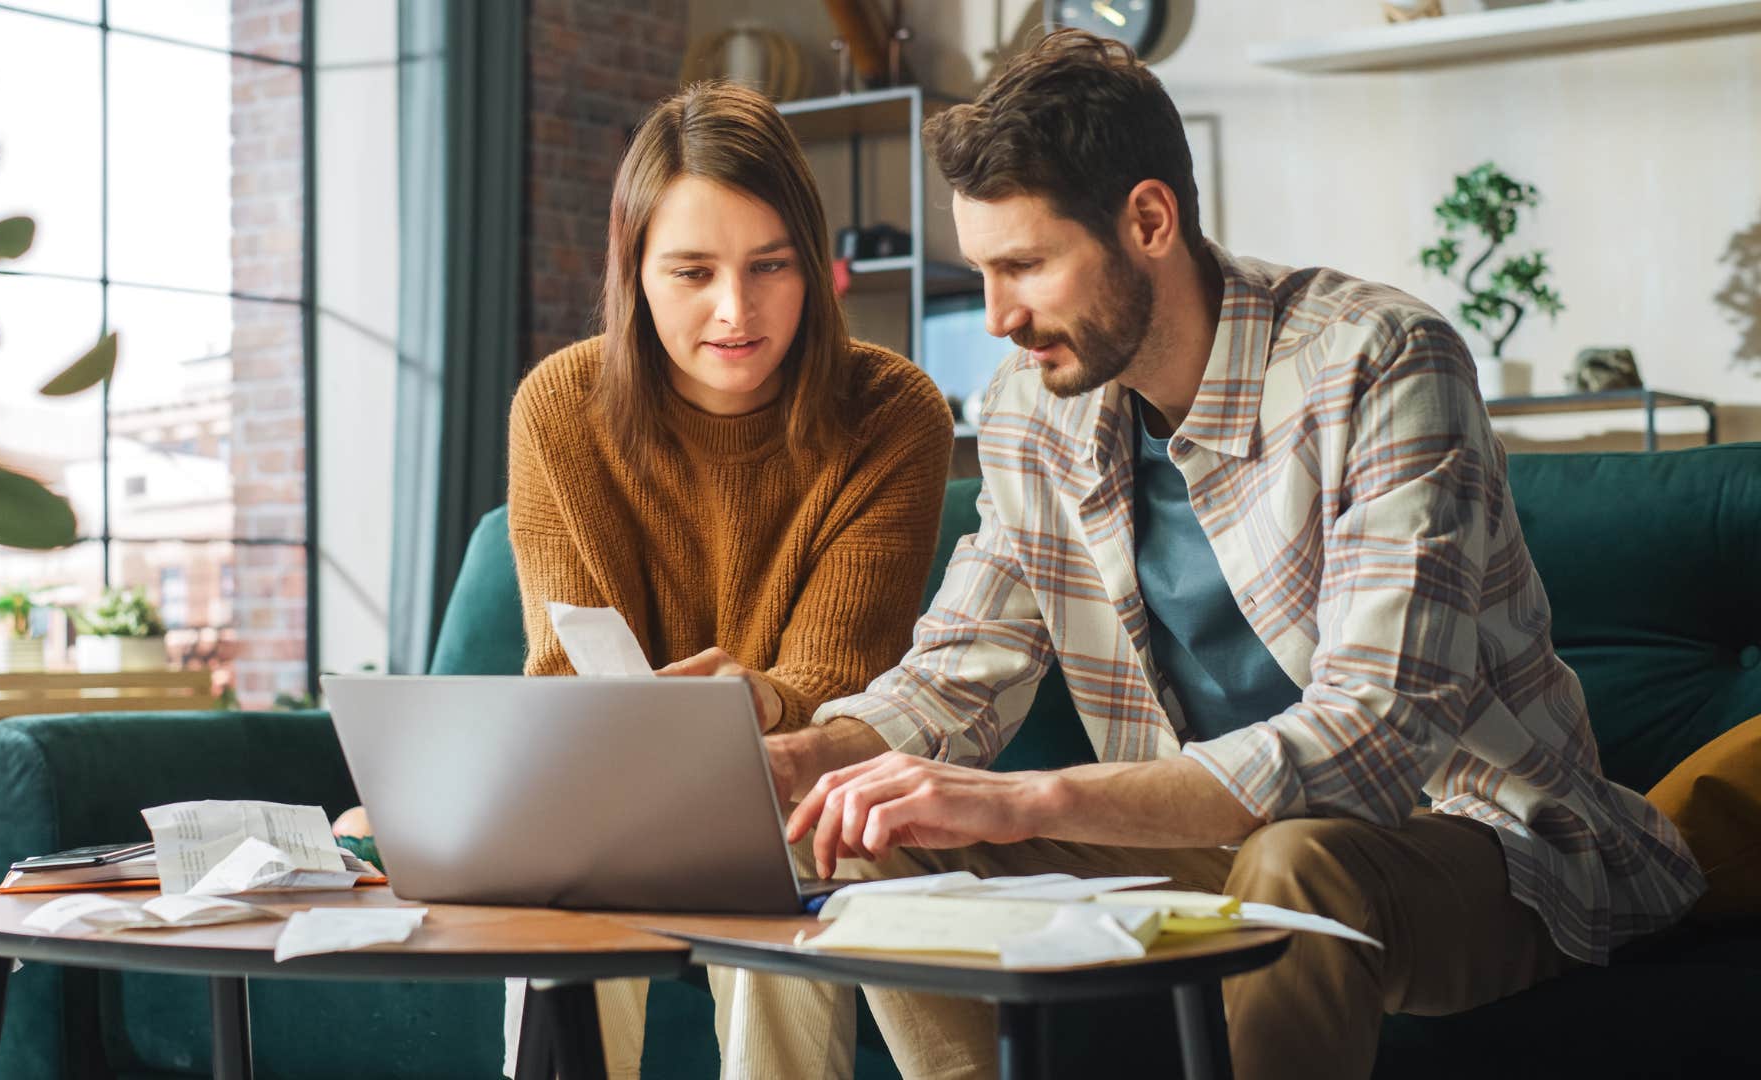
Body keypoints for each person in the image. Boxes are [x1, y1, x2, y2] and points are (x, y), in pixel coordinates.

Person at [760, 30, 1704, 1080]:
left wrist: (1036, 797)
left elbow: (1373, 736)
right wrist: (815, 754)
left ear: (1149, 220)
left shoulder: (1381, 361)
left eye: (1026, 265)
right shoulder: (1032, 410)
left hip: (1469, 840)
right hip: (1198, 846)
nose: (997, 318)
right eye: (983, 270)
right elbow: (960, 666)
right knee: (861, 824)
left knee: (1295, 860)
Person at [338, 80, 953, 1080]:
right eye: (691, 271)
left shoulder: (893, 413)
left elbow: (843, 674)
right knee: (566, 873)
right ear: (634, 270)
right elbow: (567, 672)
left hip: (796, 782)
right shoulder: (561, 407)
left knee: (782, 840)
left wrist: (752, 701)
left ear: (817, 267)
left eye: (770, 266)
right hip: (604, 791)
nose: (734, 310)